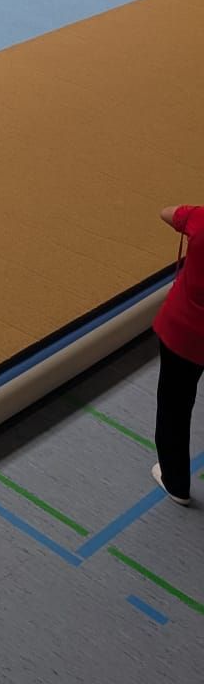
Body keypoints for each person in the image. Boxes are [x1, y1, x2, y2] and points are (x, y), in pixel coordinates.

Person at [154, 203, 204, 504]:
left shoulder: (199, 219)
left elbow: (166, 212)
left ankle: (175, 482)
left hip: (184, 334)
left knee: (174, 407)